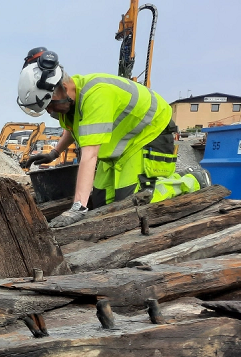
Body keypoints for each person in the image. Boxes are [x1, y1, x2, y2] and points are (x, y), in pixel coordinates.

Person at [17, 49, 211, 228]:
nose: (49, 111)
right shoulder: (69, 104)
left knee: (130, 202)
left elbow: (90, 154)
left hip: (149, 133)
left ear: (63, 87)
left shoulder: (96, 95)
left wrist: (78, 207)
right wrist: (54, 153)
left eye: (50, 104)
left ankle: (191, 180)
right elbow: (73, 129)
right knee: (103, 201)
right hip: (123, 144)